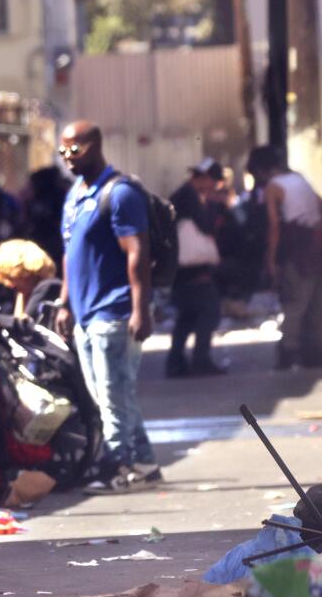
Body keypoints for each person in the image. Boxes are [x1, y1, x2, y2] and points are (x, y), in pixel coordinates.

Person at [57, 121, 161, 490]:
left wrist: (140, 308)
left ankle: (117, 466)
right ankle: (145, 463)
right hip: (85, 313)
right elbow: (71, 255)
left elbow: (138, 254)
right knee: (111, 394)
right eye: (63, 151)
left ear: (96, 145)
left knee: (113, 397)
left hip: (115, 312)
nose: (69, 157)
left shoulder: (120, 194)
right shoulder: (75, 196)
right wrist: (65, 303)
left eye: (76, 149)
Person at [249, 145, 322, 370]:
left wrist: (271, 259)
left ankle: (288, 352)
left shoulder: (273, 186)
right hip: (319, 246)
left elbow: (274, 225)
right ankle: (316, 353)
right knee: (320, 302)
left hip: (297, 251)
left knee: (295, 303)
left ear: (260, 170)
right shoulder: (300, 179)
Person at [167, 160, 229, 377]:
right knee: (209, 311)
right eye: (213, 181)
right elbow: (205, 226)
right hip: (192, 268)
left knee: (187, 316)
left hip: (180, 269)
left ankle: (175, 362)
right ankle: (200, 359)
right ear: (203, 178)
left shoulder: (181, 195)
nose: (213, 187)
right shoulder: (189, 197)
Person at [0, 239, 58, 320]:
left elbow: (24, 325)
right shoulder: (24, 293)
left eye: (10, 277)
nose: (9, 285)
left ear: (23, 270)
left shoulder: (48, 286)